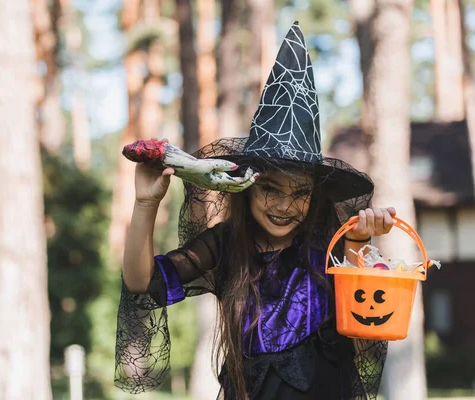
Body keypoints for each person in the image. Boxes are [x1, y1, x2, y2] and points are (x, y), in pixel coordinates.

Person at [115, 22, 392, 400]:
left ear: (316, 197)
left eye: (300, 193)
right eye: (270, 189)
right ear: (245, 187)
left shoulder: (330, 249)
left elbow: (364, 336)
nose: (283, 205)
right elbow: (139, 283)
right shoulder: (226, 245)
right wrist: (146, 204)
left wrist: (358, 245)